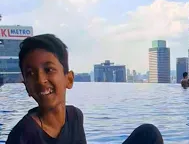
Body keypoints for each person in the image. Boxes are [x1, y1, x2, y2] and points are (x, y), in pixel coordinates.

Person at [6, 34, 163, 144]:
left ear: (69, 79)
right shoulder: (22, 136)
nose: (41, 80)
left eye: (49, 70)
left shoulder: (74, 116)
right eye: (31, 73)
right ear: (26, 86)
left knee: (148, 134)